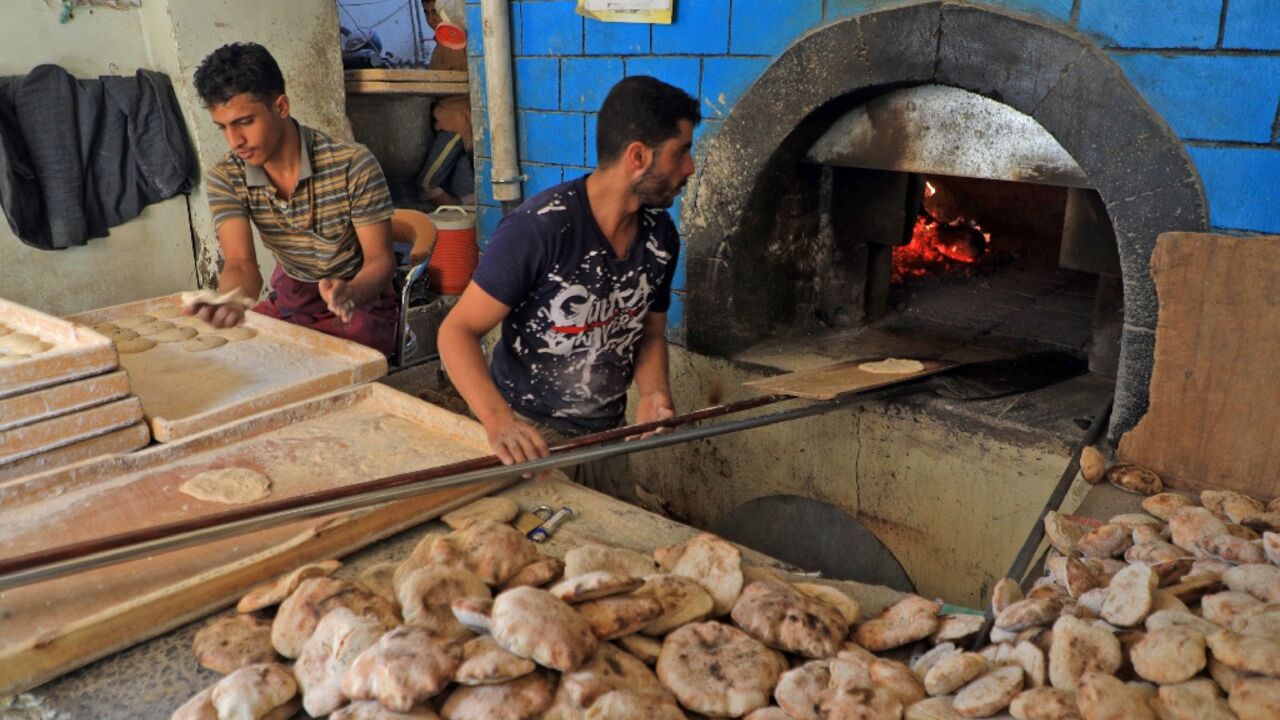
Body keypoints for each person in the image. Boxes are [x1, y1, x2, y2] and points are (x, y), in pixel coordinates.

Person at [437, 76, 699, 500]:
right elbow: (456, 331)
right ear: (638, 155)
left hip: (607, 441)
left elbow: (649, 333)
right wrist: (498, 421)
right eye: (682, 151)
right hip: (528, 443)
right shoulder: (540, 229)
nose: (689, 167)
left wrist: (654, 393)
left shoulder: (660, 236)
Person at [190, 42, 399, 355]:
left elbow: (381, 261)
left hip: (358, 303)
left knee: (336, 365)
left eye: (245, 122)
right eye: (223, 127)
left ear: (281, 107)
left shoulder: (352, 164)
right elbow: (241, 264)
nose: (236, 141)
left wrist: (350, 292)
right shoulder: (227, 176)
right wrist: (231, 299)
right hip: (292, 297)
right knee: (239, 355)